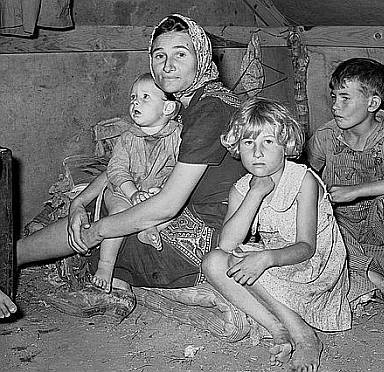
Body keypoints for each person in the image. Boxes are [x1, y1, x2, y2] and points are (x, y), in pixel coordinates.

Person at [6, 14, 247, 331]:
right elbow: (124, 164)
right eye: (159, 55)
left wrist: (100, 229)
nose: (168, 66)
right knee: (100, 205)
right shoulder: (195, 103)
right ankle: (13, 256)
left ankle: (10, 258)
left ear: (201, 57)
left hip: (206, 241)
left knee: (97, 238)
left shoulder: (208, 111)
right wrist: (78, 202)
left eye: (180, 54)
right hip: (201, 220)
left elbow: (167, 206)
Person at [202, 97, 351, 371]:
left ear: (286, 145)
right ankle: (276, 327)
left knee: (240, 261)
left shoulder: (303, 180)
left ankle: (304, 335)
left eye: (268, 142)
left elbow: (306, 247)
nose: (257, 152)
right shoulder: (242, 188)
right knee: (214, 261)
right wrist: (255, 192)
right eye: (248, 142)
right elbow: (226, 243)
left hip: (314, 265)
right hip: (276, 260)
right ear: (237, 146)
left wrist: (266, 258)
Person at [307, 57, 384, 313]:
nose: (335, 107)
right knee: (321, 229)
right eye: (333, 98)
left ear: (373, 103)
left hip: (377, 228)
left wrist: (356, 191)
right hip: (341, 227)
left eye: (345, 98)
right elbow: (305, 176)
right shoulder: (325, 138)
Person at [92, 72, 182, 293]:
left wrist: (164, 188)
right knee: (120, 216)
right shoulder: (127, 138)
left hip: (155, 192)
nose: (135, 103)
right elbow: (116, 169)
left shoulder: (178, 136)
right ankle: (106, 265)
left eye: (144, 97)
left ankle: (149, 228)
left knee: (171, 210)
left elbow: (183, 169)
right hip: (123, 191)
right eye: (133, 97)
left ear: (168, 109)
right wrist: (131, 192)